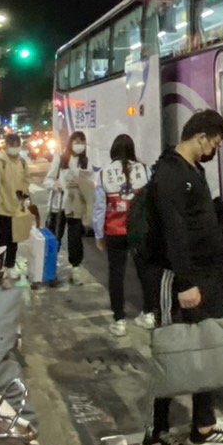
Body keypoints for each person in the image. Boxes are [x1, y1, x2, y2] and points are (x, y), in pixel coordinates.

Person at [141, 108, 223, 445]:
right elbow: (174, 232)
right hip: (183, 277)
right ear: (201, 137)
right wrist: (185, 284)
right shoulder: (170, 174)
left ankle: (203, 426)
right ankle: (156, 433)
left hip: (206, 274)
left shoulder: (193, 171)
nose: (214, 150)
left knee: (208, 346)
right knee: (174, 348)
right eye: (215, 143)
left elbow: (196, 212)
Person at [94, 134, 150, 336]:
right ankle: (149, 313)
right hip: (139, 231)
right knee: (145, 271)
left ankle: (119, 321)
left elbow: (100, 208)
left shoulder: (104, 173)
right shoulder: (144, 170)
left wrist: (99, 234)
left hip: (114, 231)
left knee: (116, 275)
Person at [44, 131, 94, 286]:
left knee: (75, 241)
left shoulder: (86, 161)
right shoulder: (60, 159)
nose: (79, 145)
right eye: (76, 141)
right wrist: (56, 185)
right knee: (55, 238)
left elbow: (91, 183)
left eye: (82, 141)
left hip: (76, 206)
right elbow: (47, 180)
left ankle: (76, 271)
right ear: (70, 142)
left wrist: (80, 184)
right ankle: (50, 272)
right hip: (58, 205)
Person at [0, 132, 37, 279]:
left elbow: (27, 178)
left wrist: (23, 195)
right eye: (12, 145)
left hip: (16, 208)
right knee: (1, 240)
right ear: (6, 146)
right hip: (2, 209)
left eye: (17, 145)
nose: (15, 148)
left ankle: (10, 266)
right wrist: (1, 201)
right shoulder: (0, 161)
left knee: (14, 239)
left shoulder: (22, 162)